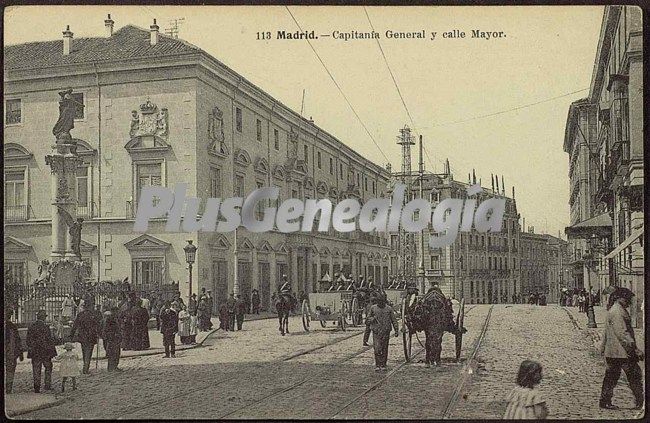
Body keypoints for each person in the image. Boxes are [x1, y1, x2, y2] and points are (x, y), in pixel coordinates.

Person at [599, 287, 644, 410]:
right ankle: (641, 402)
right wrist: (635, 349)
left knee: (611, 378)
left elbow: (606, 334)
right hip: (622, 353)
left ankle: (605, 401)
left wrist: (602, 348)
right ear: (620, 298)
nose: (629, 302)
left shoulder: (615, 309)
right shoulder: (618, 312)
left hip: (614, 352)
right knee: (634, 376)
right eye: (627, 299)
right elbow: (622, 334)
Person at [26, 310, 58, 393]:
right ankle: (47, 385)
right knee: (48, 367)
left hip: (35, 352)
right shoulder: (45, 327)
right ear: (44, 317)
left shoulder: (31, 326)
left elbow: (28, 340)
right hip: (45, 352)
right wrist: (53, 352)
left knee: (36, 369)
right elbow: (49, 340)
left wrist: (32, 348)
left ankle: (36, 387)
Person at [366, 295, 398, 371]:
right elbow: (367, 319)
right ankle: (378, 364)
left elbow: (394, 320)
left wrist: (396, 330)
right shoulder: (373, 308)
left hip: (386, 331)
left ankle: (383, 364)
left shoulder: (389, 309)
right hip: (376, 331)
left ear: (384, 302)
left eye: (382, 302)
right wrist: (372, 319)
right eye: (379, 302)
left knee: (384, 348)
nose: (380, 303)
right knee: (377, 348)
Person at [70, 304, 100, 374]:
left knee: (84, 351)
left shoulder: (80, 315)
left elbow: (75, 325)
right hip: (91, 336)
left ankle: (85, 366)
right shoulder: (93, 315)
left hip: (83, 336)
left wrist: (71, 335)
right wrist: (98, 333)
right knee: (89, 352)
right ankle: (86, 367)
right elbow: (97, 325)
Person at [5, 308, 24, 394]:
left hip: (10, 353)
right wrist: (20, 353)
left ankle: (9, 388)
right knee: (10, 371)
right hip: (10, 353)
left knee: (10, 370)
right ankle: (8, 389)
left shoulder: (12, 327)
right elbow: (17, 341)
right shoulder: (12, 327)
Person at [101, 308, 122, 372]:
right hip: (112, 338)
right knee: (113, 353)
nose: (117, 312)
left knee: (116, 352)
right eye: (116, 311)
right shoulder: (110, 319)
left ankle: (114, 366)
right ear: (113, 311)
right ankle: (111, 367)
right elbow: (107, 329)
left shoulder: (115, 318)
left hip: (115, 338)